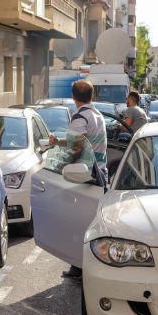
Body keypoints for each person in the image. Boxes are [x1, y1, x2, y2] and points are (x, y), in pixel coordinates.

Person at [49, 80, 108, 279]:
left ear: (74, 97)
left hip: (85, 175)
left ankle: (80, 265)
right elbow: (84, 140)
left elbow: (79, 146)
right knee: (88, 221)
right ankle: (79, 266)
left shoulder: (79, 117)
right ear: (91, 96)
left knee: (78, 223)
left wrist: (61, 162)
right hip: (100, 172)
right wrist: (59, 141)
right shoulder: (97, 115)